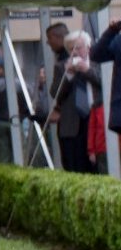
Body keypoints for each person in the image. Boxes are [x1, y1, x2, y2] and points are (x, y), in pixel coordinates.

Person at [50, 30, 104, 173]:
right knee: (75, 167)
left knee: (98, 167)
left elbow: (105, 83)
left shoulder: (98, 64)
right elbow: (55, 93)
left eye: (79, 47)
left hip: (96, 121)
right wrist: (68, 75)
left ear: (88, 47)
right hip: (72, 125)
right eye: (71, 49)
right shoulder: (61, 67)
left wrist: (86, 70)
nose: (75, 52)